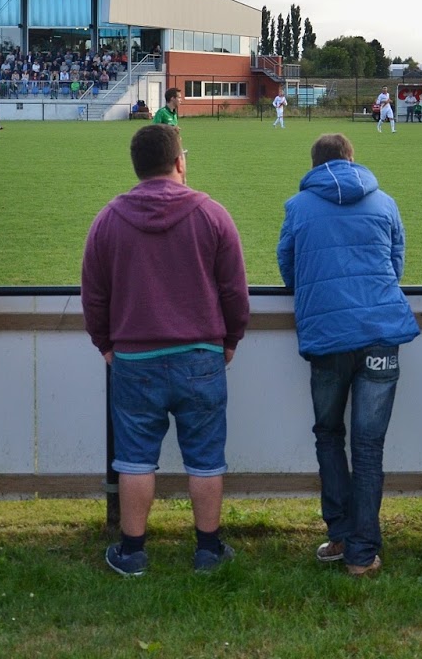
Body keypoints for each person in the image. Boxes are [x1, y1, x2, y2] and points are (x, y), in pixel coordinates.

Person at [82, 124, 250, 576]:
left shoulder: (109, 219)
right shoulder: (212, 214)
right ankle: (208, 550)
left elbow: (93, 295)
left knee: (135, 458)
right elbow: (235, 291)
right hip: (200, 355)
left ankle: (133, 551)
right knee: (206, 456)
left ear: (137, 167)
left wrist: (106, 345)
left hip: (134, 357)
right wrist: (229, 340)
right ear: (180, 162)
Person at [277, 133, 419, 578]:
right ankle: (362, 553)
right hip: (381, 333)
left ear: (315, 164)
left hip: (328, 336)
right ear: (352, 160)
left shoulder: (298, 207)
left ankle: (341, 534)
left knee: (327, 433)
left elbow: (289, 268)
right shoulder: (386, 202)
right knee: (369, 446)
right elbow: (396, 266)